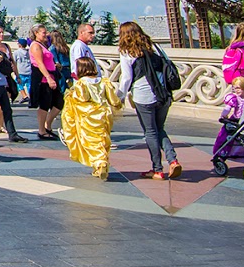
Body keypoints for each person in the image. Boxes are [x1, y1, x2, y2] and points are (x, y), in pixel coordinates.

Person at [116, 21, 181, 180]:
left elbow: (126, 78)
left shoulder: (127, 52)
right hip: (163, 95)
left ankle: (157, 169)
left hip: (144, 96)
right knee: (160, 129)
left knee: (150, 132)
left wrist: (119, 97)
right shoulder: (155, 49)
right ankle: (173, 160)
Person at [60, 55, 121, 180]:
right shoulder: (104, 81)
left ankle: (100, 162)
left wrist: (70, 94)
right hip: (104, 114)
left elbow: (82, 98)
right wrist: (118, 105)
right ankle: (98, 167)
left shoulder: (82, 83)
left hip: (88, 116)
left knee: (90, 141)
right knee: (103, 139)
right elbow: (114, 100)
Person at [29, 25, 63, 140]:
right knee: (44, 104)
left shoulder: (44, 45)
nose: (46, 34)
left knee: (59, 102)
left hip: (52, 76)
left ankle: (47, 125)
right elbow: (39, 63)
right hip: (43, 79)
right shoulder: (35, 46)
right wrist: (48, 78)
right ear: (36, 33)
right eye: (43, 32)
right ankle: (41, 130)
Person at [212, 76, 244, 159]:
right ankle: (221, 153)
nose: (236, 90)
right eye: (235, 88)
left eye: (239, 88)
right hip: (235, 120)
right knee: (225, 135)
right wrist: (224, 115)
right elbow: (228, 108)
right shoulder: (235, 98)